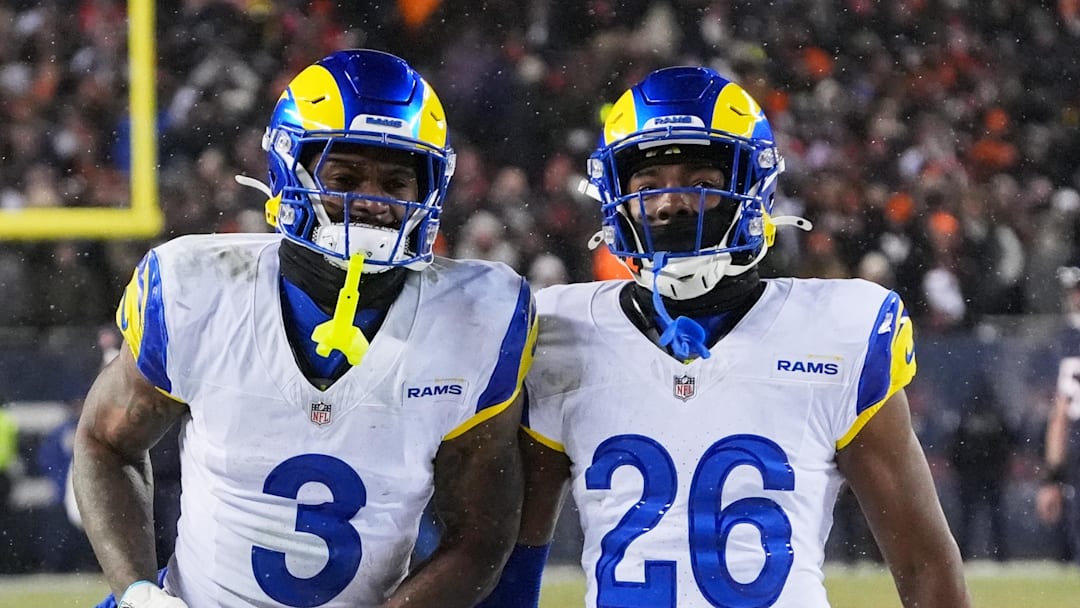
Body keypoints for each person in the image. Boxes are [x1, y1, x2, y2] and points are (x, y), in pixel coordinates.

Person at [489, 66, 970, 607]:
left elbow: (925, 566)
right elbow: (511, 560)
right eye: (647, 186)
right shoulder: (562, 333)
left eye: (700, 182)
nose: (671, 202)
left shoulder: (837, 332)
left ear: (752, 190)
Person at [73, 49, 534, 608]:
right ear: (291, 172)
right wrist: (140, 595)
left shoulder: (475, 316)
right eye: (344, 176)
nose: (371, 201)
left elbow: (480, 535)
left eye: (396, 182)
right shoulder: (199, 287)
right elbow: (104, 442)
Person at [1035, 266, 1080, 563]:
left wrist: (1052, 476)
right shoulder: (1064, 338)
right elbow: (1059, 413)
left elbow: (1060, 414)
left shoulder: (1066, 340)